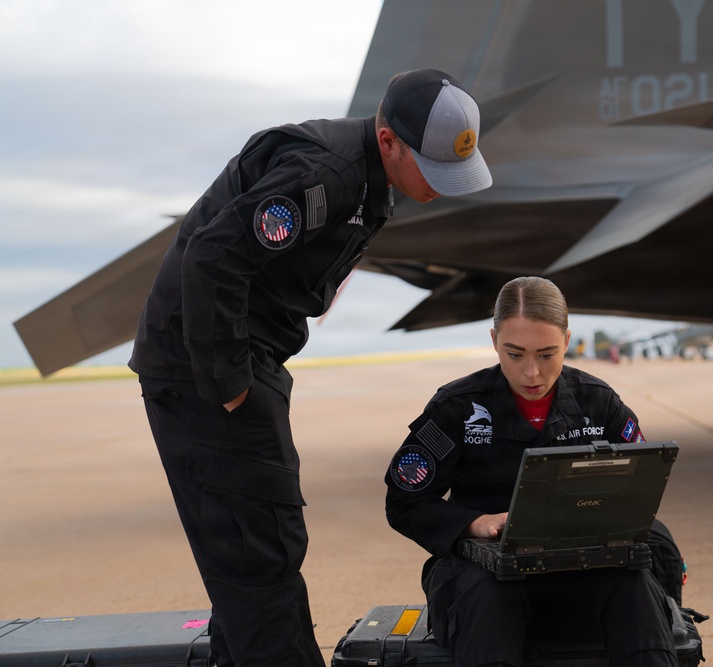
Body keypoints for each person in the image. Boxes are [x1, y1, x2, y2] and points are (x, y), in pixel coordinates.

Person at [128, 69, 492, 667]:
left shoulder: (363, 177)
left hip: (244, 359)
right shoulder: (326, 175)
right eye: (430, 168)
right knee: (259, 554)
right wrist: (229, 389)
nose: (439, 187)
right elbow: (213, 254)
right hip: (206, 368)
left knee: (256, 557)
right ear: (387, 142)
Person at [385, 277, 678, 667]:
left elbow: (639, 490)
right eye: (515, 354)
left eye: (546, 354)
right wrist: (476, 524)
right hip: (484, 575)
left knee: (635, 584)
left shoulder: (599, 402)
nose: (531, 374)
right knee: (488, 594)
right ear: (493, 341)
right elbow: (405, 502)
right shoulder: (457, 407)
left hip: (585, 568)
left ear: (567, 340)